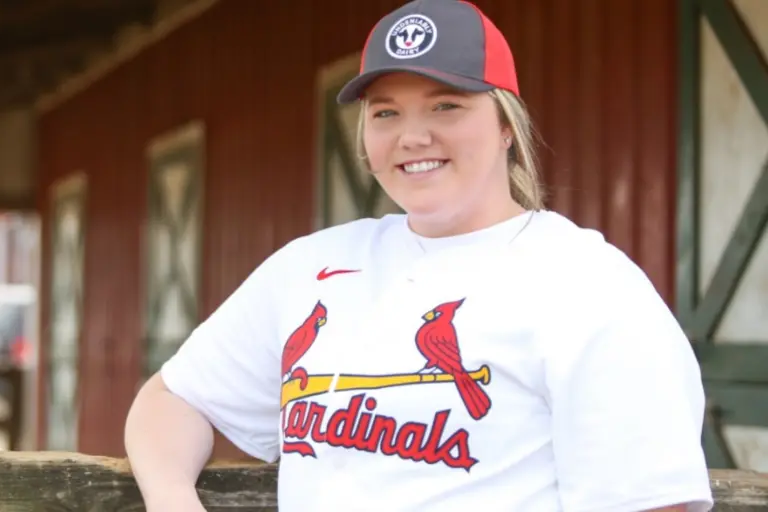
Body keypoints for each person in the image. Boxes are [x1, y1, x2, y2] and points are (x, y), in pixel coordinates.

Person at [124, 0, 714, 510]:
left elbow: (646, 501)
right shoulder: (312, 267)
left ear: (506, 126)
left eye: (446, 106)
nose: (412, 136)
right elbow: (172, 399)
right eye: (385, 113)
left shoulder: (585, 282)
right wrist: (173, 498)